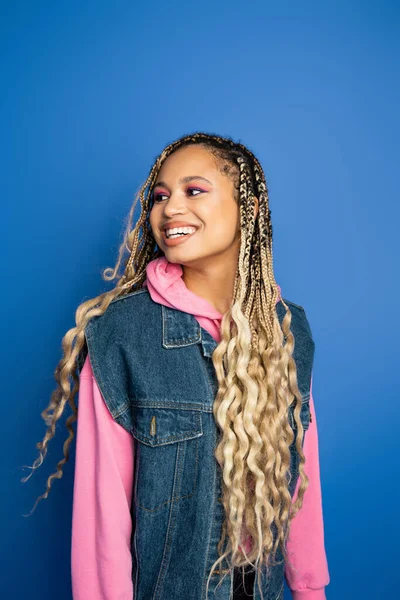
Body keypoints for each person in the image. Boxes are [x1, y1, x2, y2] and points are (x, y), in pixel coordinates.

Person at [22, 132, 330, 599]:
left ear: (245, 209)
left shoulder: (288, 328)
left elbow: (304, 474)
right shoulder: (123, 334)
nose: (169, 209)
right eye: (161, 196)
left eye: (194, 190)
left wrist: (309, 589)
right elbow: (100, 515)